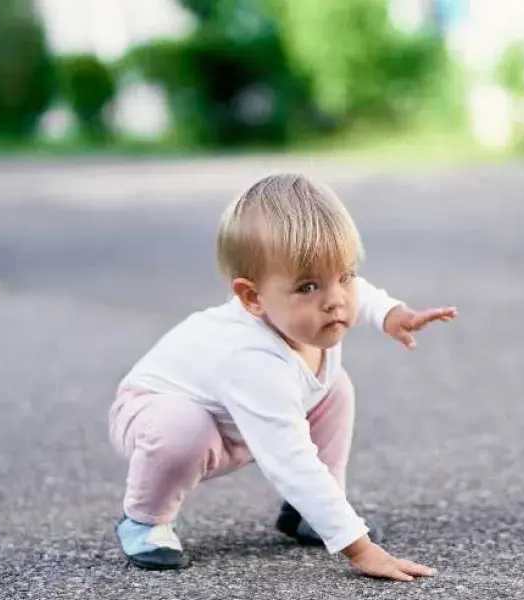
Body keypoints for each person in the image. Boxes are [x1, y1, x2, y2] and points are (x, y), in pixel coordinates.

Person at [108, 173, 457, 581]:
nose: (335, 301)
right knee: (182, 428)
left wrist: (392, 314)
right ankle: (145, 521)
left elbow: (360, 294)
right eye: (308, 286)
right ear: (252, 298)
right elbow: (290, 460)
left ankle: (308, 512)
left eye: (343, 275)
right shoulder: (251, 358)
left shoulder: (318, 309)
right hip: (151, 414)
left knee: (335, 388)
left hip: (234, 422)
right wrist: (358, 548)